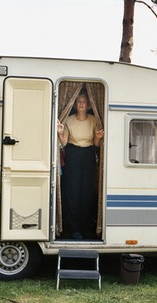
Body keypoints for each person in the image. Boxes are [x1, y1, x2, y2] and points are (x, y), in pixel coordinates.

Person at [57, 94, 104, 239]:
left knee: (87, 192)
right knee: (72, 193)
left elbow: (96, 144)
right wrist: (59, 133)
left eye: (84, 101)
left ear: (89, 105)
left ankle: (85, 228)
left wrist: (98, 137)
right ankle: (73, 229)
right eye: (78, 101)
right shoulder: (69, 120)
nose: (81, 104)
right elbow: (64, 143)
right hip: (73, 154)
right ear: (75, 104)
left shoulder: (94, 119)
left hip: (88, 155)